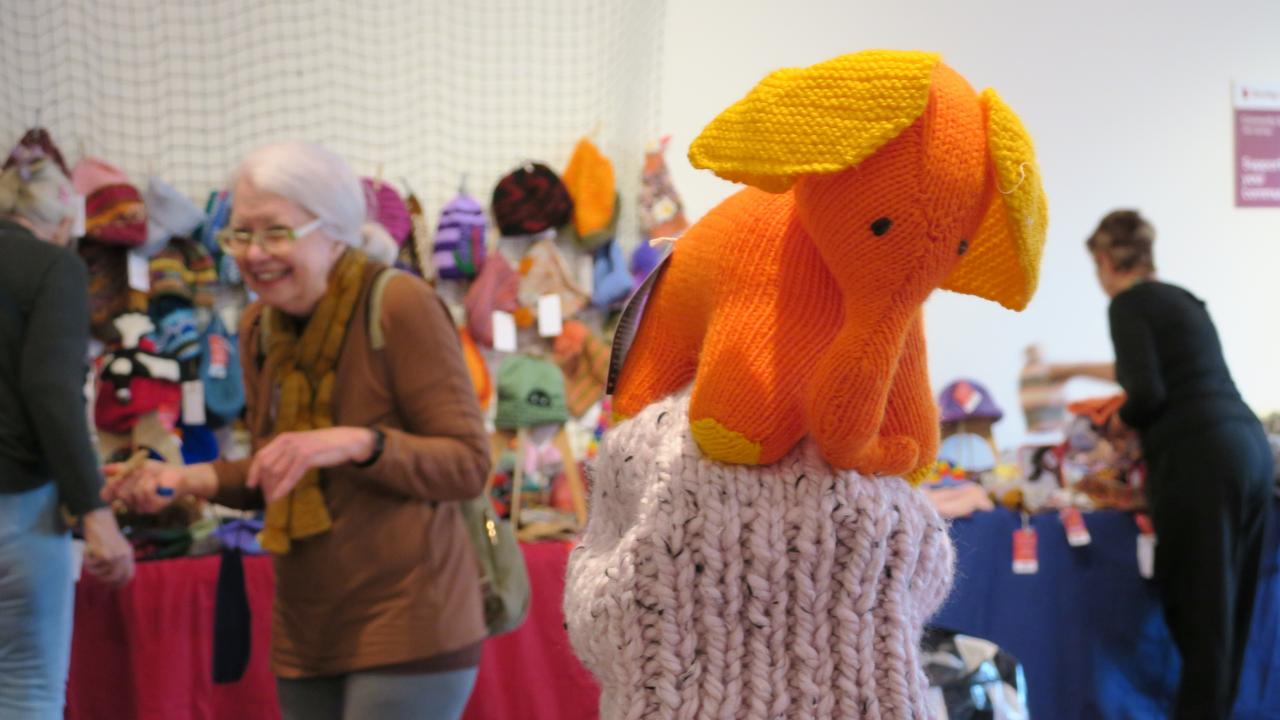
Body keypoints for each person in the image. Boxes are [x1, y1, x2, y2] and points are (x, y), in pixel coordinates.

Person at [103, 142, 491, 720]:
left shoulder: (399, 304)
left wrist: (357, 441)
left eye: (276, 233)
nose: (254, 254)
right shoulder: (261, 325)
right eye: (239, 234)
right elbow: (272, 468)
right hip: (307, 628)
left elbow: (466, 463)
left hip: (412, 623)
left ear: (334, 229)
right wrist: (181, 477)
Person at [1055, 209, 1272, 719]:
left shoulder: (1127, 305)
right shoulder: (1182, 301)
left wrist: (1117, 423)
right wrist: (1068, 369)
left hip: (1200, 458)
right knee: (1229, 618)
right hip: (1249, 448)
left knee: (1199, 619)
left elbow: (1146, 392)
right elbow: (1151, 371)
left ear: (1105, 261)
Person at [0, 153, 135, 719]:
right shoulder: (53, 268)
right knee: (26, 692)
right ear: (61, 222)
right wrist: (95, 513)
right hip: (18, 505)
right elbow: (51, 392)